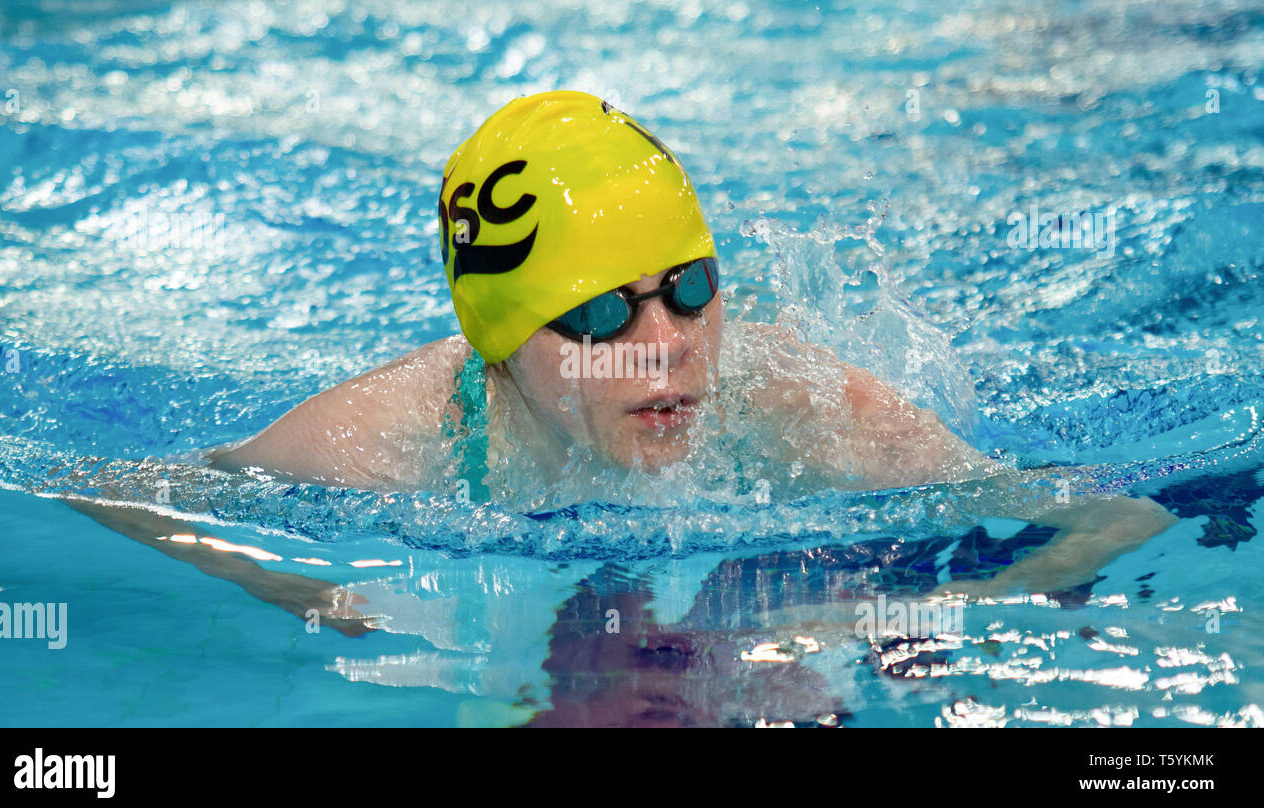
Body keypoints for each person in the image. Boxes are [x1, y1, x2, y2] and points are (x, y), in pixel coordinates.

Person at [199, 89, 1174, 595]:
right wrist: (316, 599)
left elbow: (1109, 521)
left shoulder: (792, 402)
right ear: (500, 342)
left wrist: (896, 604)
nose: (665, 345)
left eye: (689, 289)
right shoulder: (387, 441)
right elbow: (135, 500)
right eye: (596, 313)